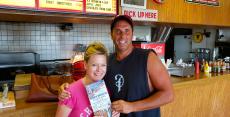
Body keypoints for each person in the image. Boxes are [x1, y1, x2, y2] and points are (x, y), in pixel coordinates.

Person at [59, 15, 174, 117]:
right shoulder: (108, 61)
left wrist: (132, 106)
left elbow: (168, 94)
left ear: (132, 34)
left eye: (127, 31)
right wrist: (66, 89)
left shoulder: (148, 57)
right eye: (118, 31)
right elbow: (90, 81)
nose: (122, 35)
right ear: (111, 35)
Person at [55, 42, 119, 117]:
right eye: (94, 65)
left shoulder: (105, 90)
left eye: (103, 65)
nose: (99, 70)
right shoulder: (69, 92)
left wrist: (113, 115)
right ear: (85, 65)